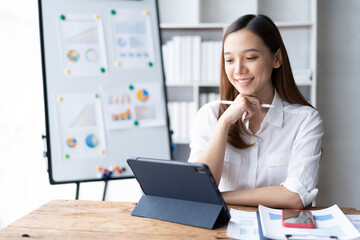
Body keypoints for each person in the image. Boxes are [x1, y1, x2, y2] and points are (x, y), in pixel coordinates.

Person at [188, 14, 323, 209]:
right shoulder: (209, 115)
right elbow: (197, 187)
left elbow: (295, 196)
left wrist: (220, 197)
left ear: (276, 59)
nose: (238, 69)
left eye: (250, 57)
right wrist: (224, 123)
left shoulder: (306, 120)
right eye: (230, 60)